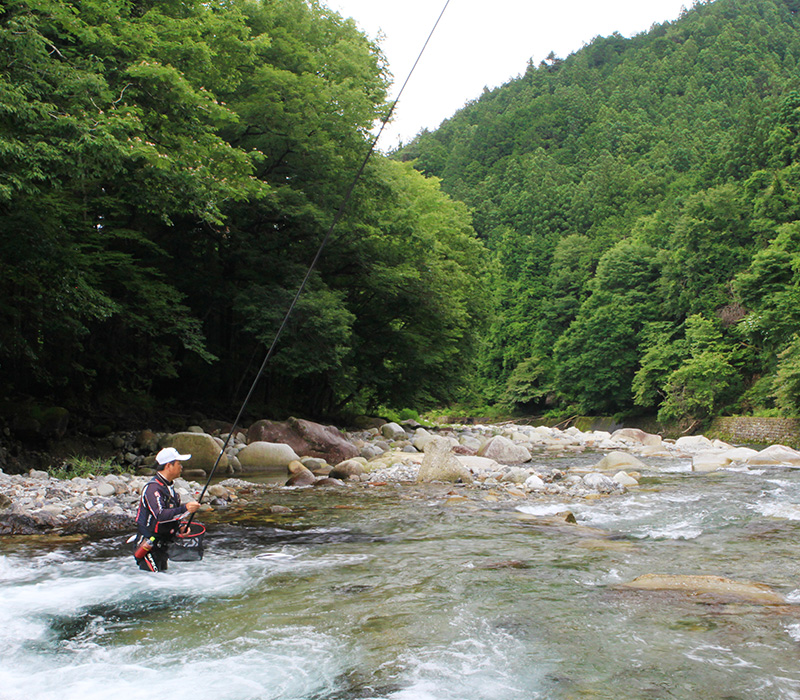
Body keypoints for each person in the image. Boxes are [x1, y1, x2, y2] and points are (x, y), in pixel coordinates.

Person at [134, 447, 201, 572]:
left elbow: (171, 516)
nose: (181, 467)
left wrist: (179, 528)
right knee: (154, 583)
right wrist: (185, 509)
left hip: (162, 546)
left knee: (160, 581)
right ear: (169, 466)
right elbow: (160, 515)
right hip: (148, 546)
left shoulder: (170, 489)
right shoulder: (153, 489)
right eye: (179, 464)